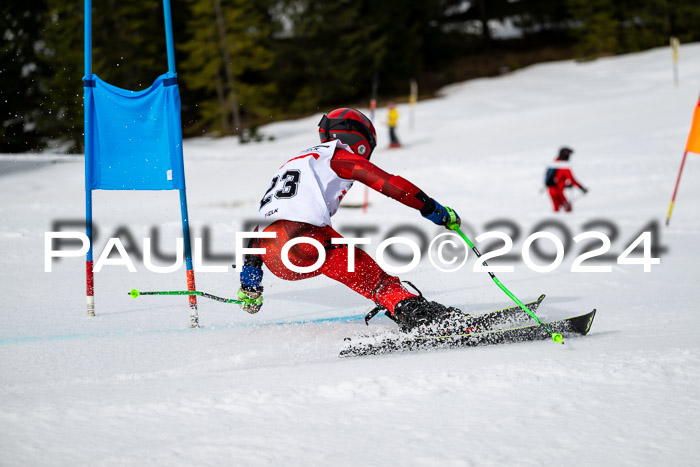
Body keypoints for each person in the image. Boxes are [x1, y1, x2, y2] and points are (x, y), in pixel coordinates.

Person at [237, 108, 463, 333]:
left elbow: (258, 232)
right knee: (379, 283)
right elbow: (389, 184)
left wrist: (250, 285)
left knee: (364, 276)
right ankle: (420, 318)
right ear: (358, 139)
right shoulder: (335, 155)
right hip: (305, 239)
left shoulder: (294, 164)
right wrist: (433, 209)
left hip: (274, 256)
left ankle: (403, 309)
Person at [544, 147, 588, 212]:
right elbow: (572, 180)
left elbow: (557, 178)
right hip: (558, 192)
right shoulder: (564, 167)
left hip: (551, 190)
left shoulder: (555, 162)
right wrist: (581, 188)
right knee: (567, 209)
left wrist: (564, 185)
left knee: (557, 209)